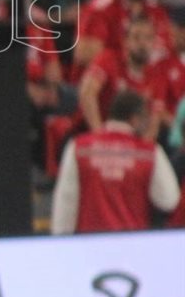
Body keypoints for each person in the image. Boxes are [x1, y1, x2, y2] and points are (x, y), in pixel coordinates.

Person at [51, 90, 180, 234]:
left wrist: (61, 240)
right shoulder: (150, 153)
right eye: (145, 117)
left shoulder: (79, 147)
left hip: (89, 242)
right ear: (135, 119)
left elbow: (66, 201)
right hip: (133, 241)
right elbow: (168, 200)